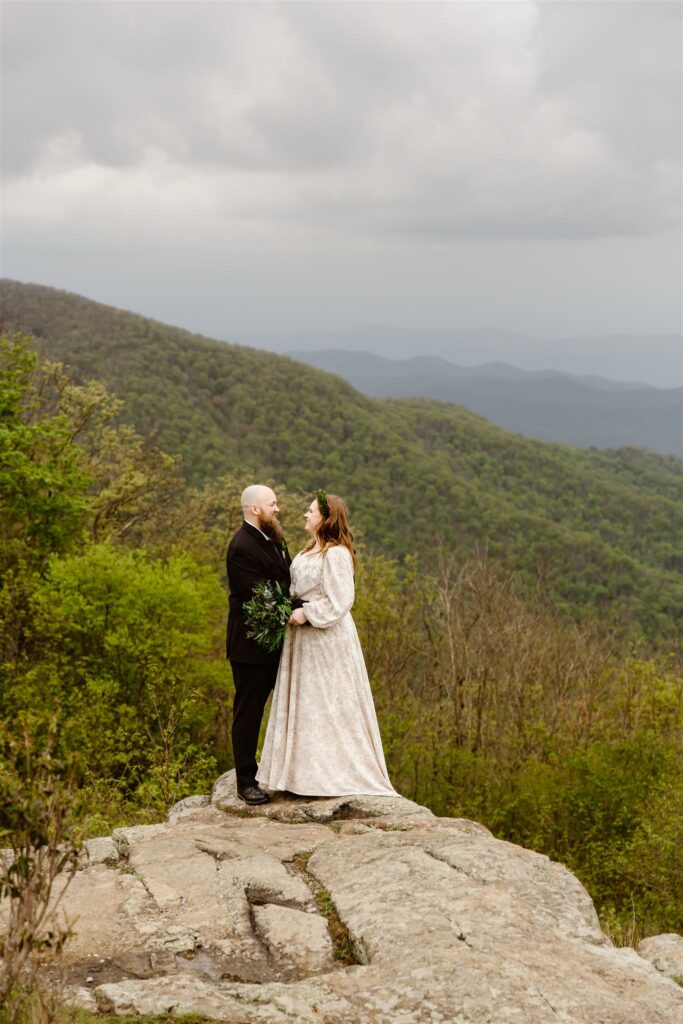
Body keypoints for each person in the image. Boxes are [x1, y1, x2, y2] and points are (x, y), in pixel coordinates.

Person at [256, 491, 396, 797]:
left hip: (326, 638)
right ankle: (298, 774)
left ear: (326, 517)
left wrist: (307, 613)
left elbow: (341, 600)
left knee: (328, 703)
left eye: (310, 511)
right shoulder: (309, 550)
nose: (305, 515)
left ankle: (329, 773)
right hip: (302, 640)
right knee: (307, 702)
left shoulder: (336, 554)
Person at [226, 484, 294, 805]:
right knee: (249, 711)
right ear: (255, 509)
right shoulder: (241, 547)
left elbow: (287, 580)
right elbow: (262, 596)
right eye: (272, 504)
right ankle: (244, 781)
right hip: (250, 648)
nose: (277, 509)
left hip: (278, 644)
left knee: (282, 708)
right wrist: (298, 610)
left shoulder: (275, 539)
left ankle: (281, 770)